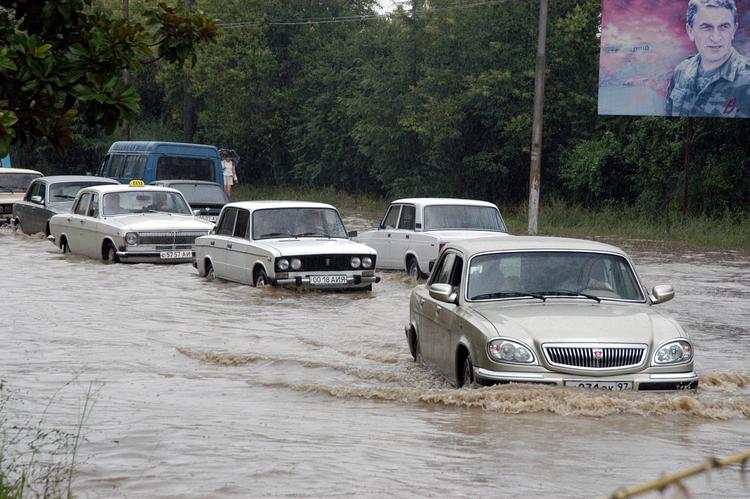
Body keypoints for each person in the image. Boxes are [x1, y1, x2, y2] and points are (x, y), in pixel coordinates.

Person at [666, 0, 750, 117]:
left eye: (724, 27)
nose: (716, 38)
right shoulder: (681, 71)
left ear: (733, 31)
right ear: (690, 31)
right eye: (706, 27)